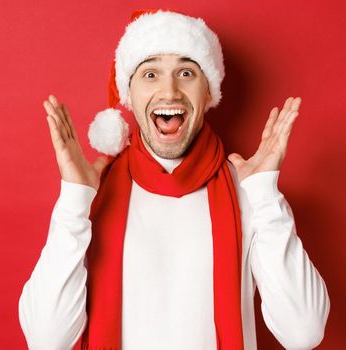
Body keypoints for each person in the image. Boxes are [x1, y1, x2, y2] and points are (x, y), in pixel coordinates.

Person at [17, 9, 330, 350]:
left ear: (208, 92)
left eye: (186, 72)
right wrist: (75, 199)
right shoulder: (93, 193)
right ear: (129, 94)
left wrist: (266, 196)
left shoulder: (249, 193)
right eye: (150, 73)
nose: (170, 91)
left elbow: (304, 333)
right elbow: (46, 340)